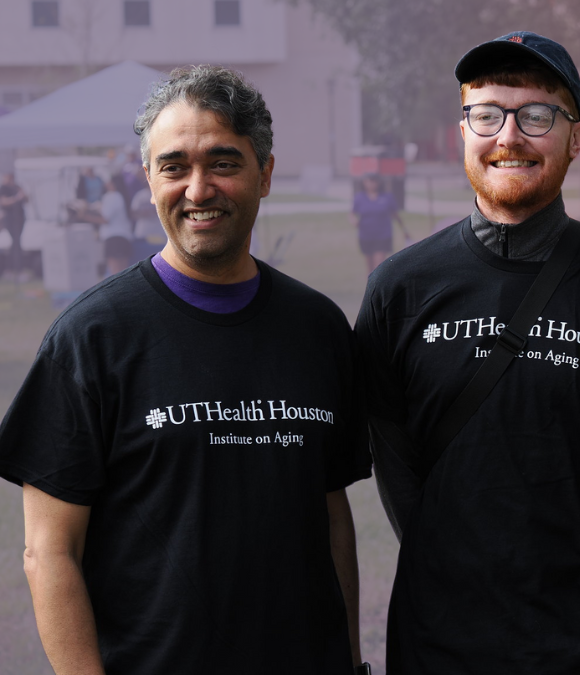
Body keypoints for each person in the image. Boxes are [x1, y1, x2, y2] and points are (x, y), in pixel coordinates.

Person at [0, 65, 372, 675]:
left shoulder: (319, 329)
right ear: (149, 180)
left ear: (265, 174)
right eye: (174, 167)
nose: (198, 189)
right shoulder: (91, 338)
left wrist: (352, 660)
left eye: (224, 163)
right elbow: (48, 553)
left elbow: (331, 516)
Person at [355, 31, 580, 674]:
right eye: (487, 114)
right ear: (463, 130)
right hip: (441, 645)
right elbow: (398, 472)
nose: (509, 136)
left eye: (537, 114)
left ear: (578, 137)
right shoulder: (399, 289)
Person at [350, 173, 400, 273]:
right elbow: (352, 213)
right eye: (368, 181)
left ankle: (378, 287)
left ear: (379, 183)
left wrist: (404, 230)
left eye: (373, 181)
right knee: (369, 266)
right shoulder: (360, 197)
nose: (371, 184)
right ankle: (370, 287)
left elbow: (395, 215)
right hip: (366, 235)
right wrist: (354, 220)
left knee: (379, 265)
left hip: (383, 235)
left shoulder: (387, 197)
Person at [98, 176, 134, 275]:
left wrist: (84, 216)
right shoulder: (123, 197)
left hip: (113, 239)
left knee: (115, 273)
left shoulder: (112, 196)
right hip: (125, 238)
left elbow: (105, 219)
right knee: (124, 273)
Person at [0, 172, 29, 281]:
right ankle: (12, 269)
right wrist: (17, 197)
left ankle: (18, 269)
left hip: (20, 218)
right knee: (15, 243)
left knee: (17, 243)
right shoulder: (3, 188)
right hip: (10, 219)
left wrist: (23, 195)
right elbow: (4, 202)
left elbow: (26, 200)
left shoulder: (17, 186)